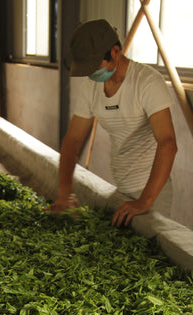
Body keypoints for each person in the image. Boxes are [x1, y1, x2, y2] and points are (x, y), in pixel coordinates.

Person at [47, 19, 178, 227]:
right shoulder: (92, 86)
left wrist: (144, 201)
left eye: (94, 67)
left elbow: (168, 143)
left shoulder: (147, 82)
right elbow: (72, 140)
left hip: (151, 191)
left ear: (115, 52)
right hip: (121, 185)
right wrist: (65, 192)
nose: (91, 74)